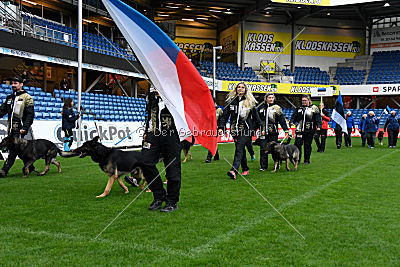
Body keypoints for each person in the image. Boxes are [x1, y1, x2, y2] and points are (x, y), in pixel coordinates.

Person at [140, 87, 182, 212]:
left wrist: (165, 94)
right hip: (153, 134)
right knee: (145, 162)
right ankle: (159, 195)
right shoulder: (151, 95)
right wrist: (146, 130)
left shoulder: (174, 95)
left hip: (171, 135)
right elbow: (149, 113)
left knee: (172, 168)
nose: (155, 89)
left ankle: (172, 201)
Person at [218, 82, 257, 179]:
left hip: (246, 130)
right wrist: (221, 127)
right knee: (241, 149)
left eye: (242, 87)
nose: (240, 89)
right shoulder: (230, 101)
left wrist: (259, 129)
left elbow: (257, 118)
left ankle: (234, 170)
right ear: (236, 89)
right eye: (238, 87)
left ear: (245, 90)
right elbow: (225, 116)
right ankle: (245, 168)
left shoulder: (250, 102)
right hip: (234, 130)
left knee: (239, 148)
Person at [0, 77, 35, 177]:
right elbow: (2, 111)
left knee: (13, 150)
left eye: (15, 83)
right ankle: (31, 167)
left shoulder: (27, 97)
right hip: (11, 130)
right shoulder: (9, 98)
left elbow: (30, 115)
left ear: (21, 84)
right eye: (12, 83)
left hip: (21, 130)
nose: (13, 85)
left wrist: (25, 127)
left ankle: (4, 170)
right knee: (21, 150)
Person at [255, 93, 289, 171]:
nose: (271, 99)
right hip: (263, 132)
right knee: (263, 149)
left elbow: (282, 120)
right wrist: (254, 130)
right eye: (269, 97)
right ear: (265, 98)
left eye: (272, 97)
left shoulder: (277, 108)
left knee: (276, 150)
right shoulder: (260, 108)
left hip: (273, 132)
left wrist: (286, 129)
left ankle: (277, 164)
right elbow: (257, 120)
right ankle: (263, 166)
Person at [290, 95, 321, 164]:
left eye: (305, 100)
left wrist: (318, 126)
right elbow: (293, 117)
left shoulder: (314, 108)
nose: (303, 102)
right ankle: (297, 159)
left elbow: (318, 118)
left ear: (309, 100)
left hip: (309, 130)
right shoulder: (298, 108)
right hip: (299, 130)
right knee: (297, 145)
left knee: (307, 145)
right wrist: (291, 122)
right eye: (302, 100)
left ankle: (307, 160)